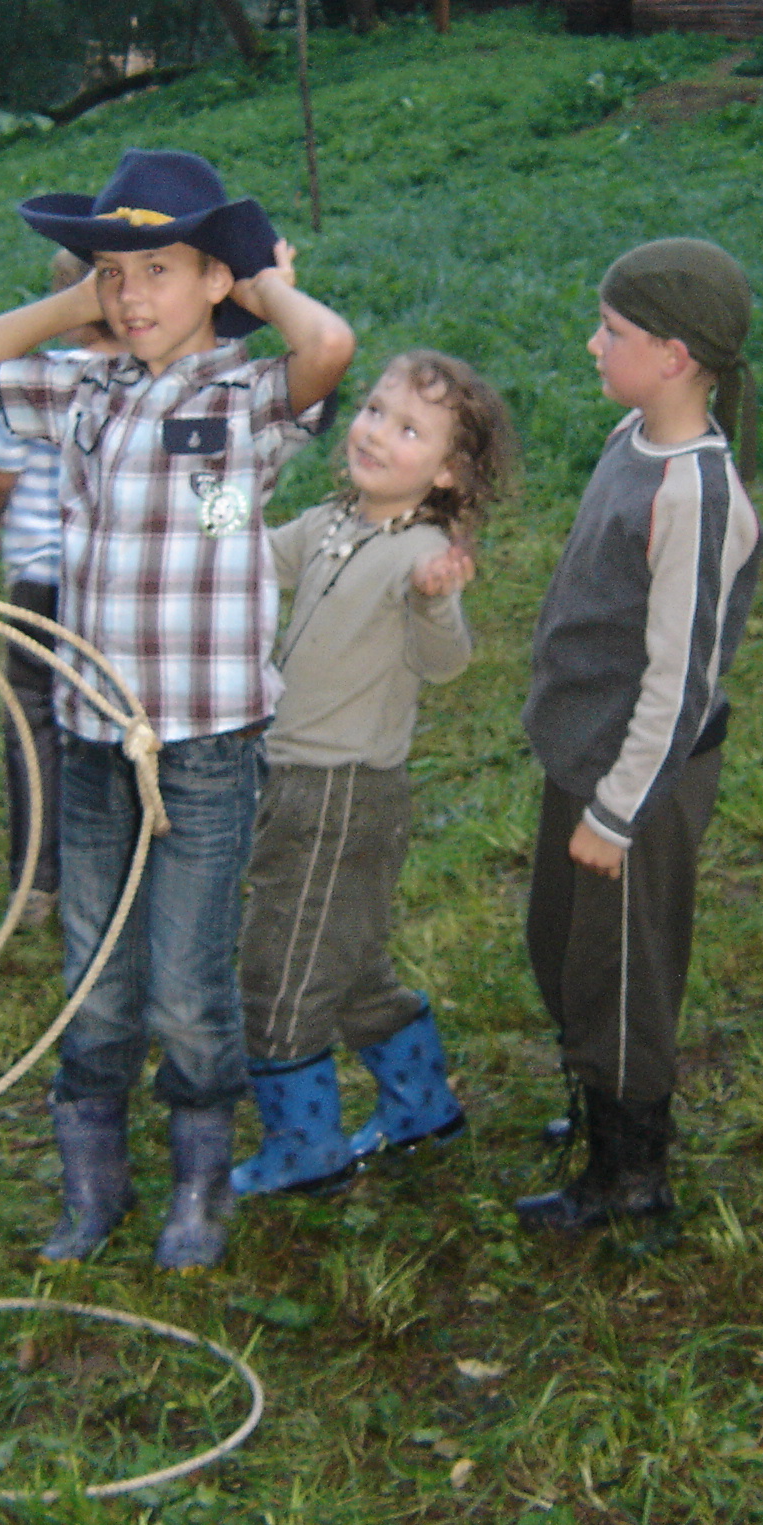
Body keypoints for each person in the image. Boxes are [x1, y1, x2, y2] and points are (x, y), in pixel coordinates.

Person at [0, 148, 355, 1271]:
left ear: (214, 279)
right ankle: (93, 1187)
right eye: (114, 274)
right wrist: (75, 302)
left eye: (157, 270)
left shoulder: (247, 397)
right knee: (95, 978)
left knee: (184, 983)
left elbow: (329, 349)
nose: (130, 296)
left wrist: (264, 283)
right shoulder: (81, 391)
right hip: (92, 742)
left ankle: (199, 1189)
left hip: (205, 744)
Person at [514, 238, 762, 1233]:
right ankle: (596, 1100)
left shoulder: (698, 497)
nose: (592, 344)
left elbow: (681, 683)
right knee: (562, 944)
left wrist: (618, 815)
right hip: (585, 757)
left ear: (672, 355)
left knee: (621, 973)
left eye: (610, 331)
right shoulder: (634, 437)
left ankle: (631, 1175)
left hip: (637, 780)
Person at [230, 351, 516, 1194]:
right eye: (375, 411)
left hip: (342, 795)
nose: (378, 433)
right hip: (294, 780)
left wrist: (433, 599)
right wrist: (210, 499)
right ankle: (422, 1107)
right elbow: (251, 553)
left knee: (281, 968)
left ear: (448, 472)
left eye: (410, 430)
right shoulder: (332, 521)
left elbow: (447, 660)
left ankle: (305, 1147)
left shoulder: (422, 554)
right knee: (349, 962)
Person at [0, 248, 127, 922]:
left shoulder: (37, 379)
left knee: (34, 711)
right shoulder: (147, 378)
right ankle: (122, 864)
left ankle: (37, 877)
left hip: (39, 577)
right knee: (115, 710)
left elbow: (1, 473)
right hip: (114, 581)